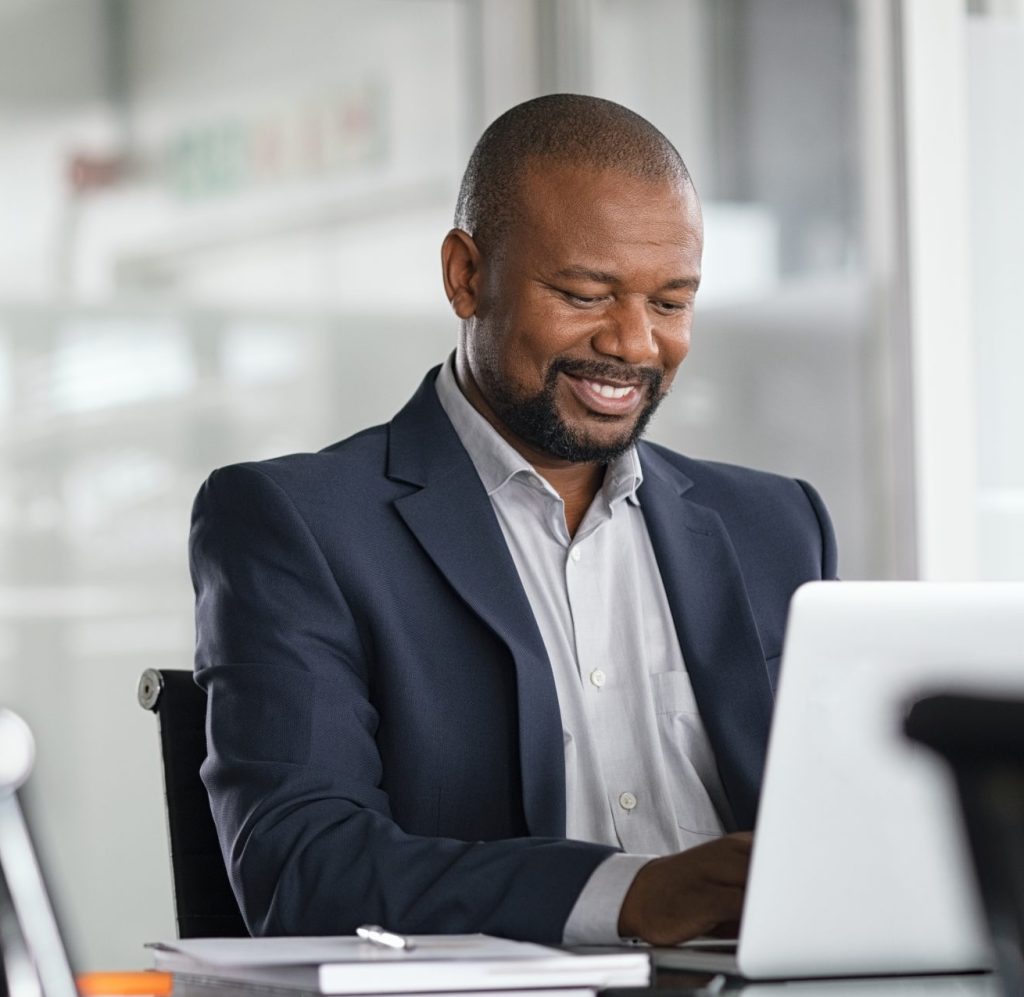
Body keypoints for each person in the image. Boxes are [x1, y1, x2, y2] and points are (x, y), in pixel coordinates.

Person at [190, 94, 837, 947]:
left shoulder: (776, 523)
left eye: (672, 304)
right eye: (584, 293)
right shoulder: (298, 524)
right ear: (466, 276)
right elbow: (306, 867)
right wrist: (631, 894)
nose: (636, 343)